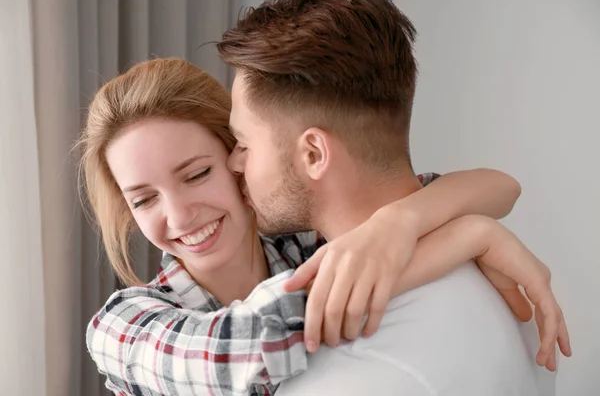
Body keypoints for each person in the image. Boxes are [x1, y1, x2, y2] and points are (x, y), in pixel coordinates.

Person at [80, 59, 568, 396]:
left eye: (196, 174)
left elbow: (497, 187)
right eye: (144, 199)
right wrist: (465, 237)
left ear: (238, 158)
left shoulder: (304, 239)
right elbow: (248, 347)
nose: (180, 216)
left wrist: (401, 222)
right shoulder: (123, 326)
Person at [215, 0, 571, 395]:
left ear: (313, 154)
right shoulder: (506, 283)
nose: (233, 163)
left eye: (244, 144)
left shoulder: (341, 375)